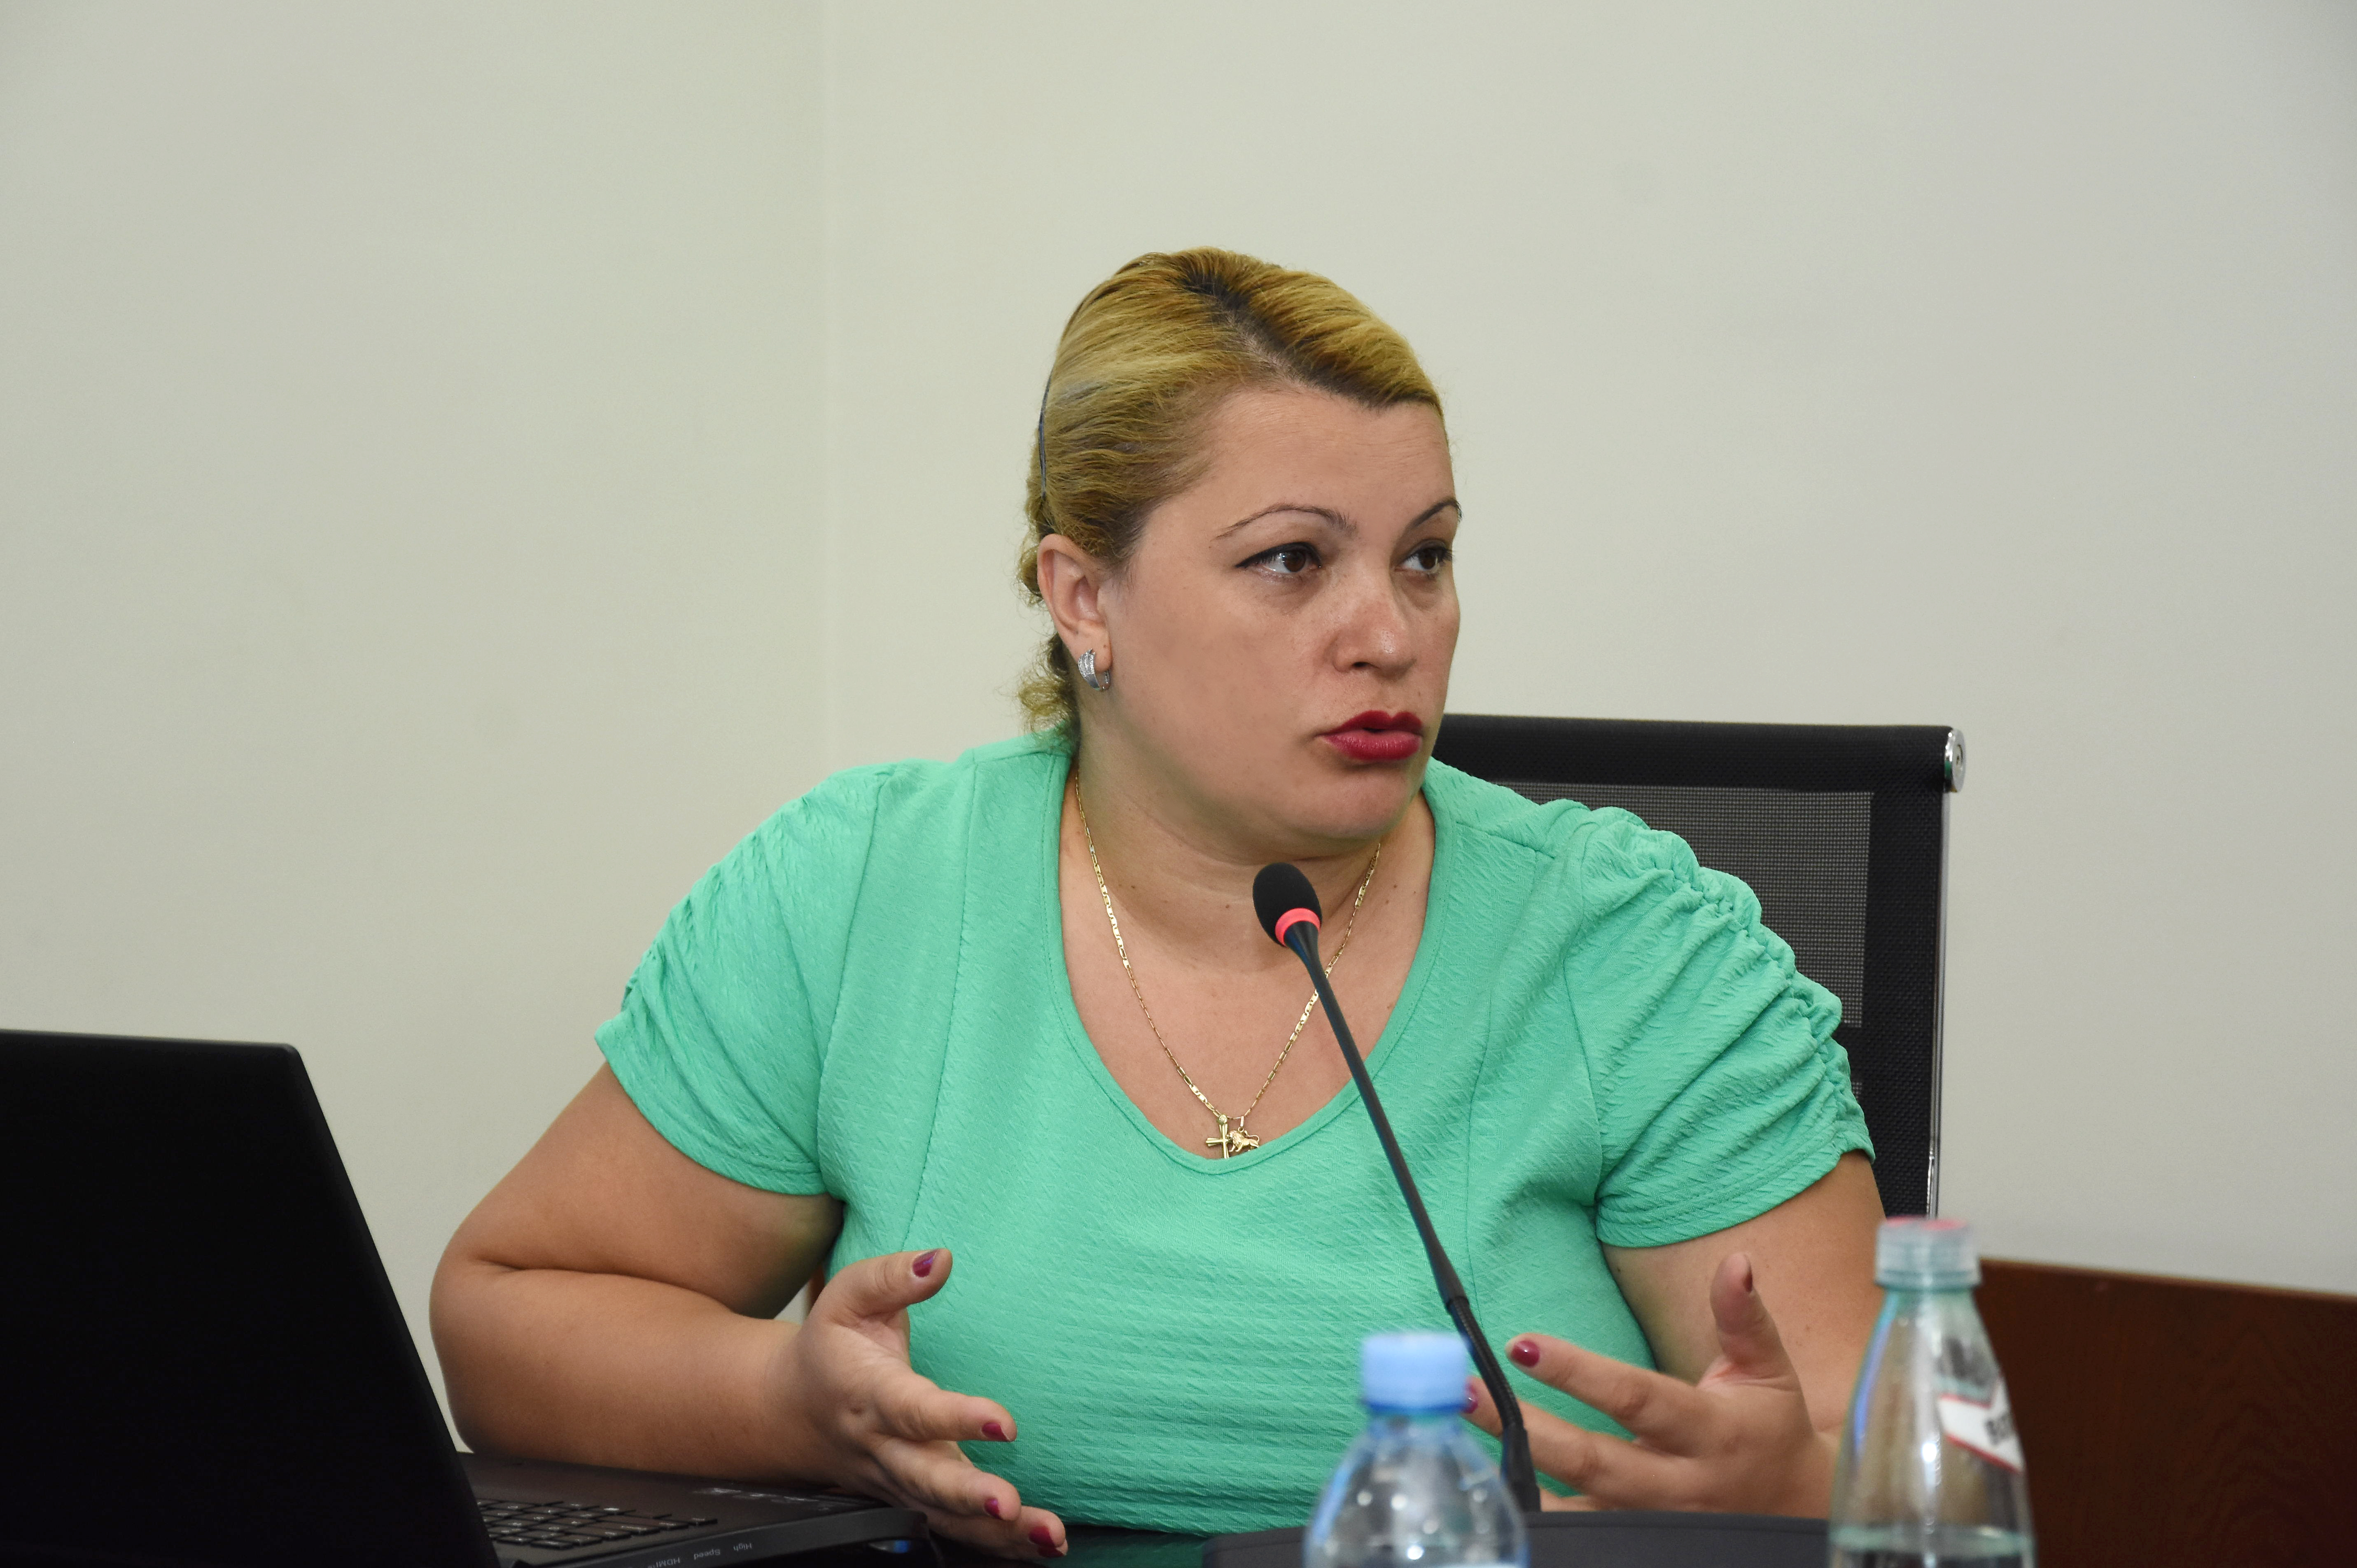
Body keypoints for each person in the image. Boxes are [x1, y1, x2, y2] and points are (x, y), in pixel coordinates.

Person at [431, 248, 1886, 1555]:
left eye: (1425, 557)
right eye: (1292, 561)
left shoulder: (1634, 949)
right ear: (1084, 600)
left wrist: (1789, 1490)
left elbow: (1910, 1476)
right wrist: (788, 1405)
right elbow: (508, 1314)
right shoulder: (864, 889)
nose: (1388, 635)